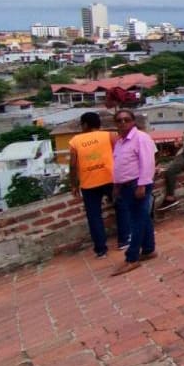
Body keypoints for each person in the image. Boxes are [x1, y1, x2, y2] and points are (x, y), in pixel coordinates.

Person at [69, 111, 126, 258]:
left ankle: (101, 250)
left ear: (85, 124)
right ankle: (124, 240)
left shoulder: (75, 141)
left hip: (88, 183)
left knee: (94, 216)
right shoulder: (109, 136)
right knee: (121, 207)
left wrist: (74, 184)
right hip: (110, 178)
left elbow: (73, 165)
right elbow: (119, 155)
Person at [110, 109, 157, 276]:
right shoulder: (120, 142)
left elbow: (148, 163)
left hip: (137, 184)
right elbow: (119, 164)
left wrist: (142, 185)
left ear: (133, 121)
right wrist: (116, 185)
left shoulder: (141, 138)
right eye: (119, 120)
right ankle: (149, 249)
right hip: (125, 186)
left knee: (136, 221)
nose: (123, 123)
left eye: (126, 120)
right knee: (142, 218)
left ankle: (132, 257)